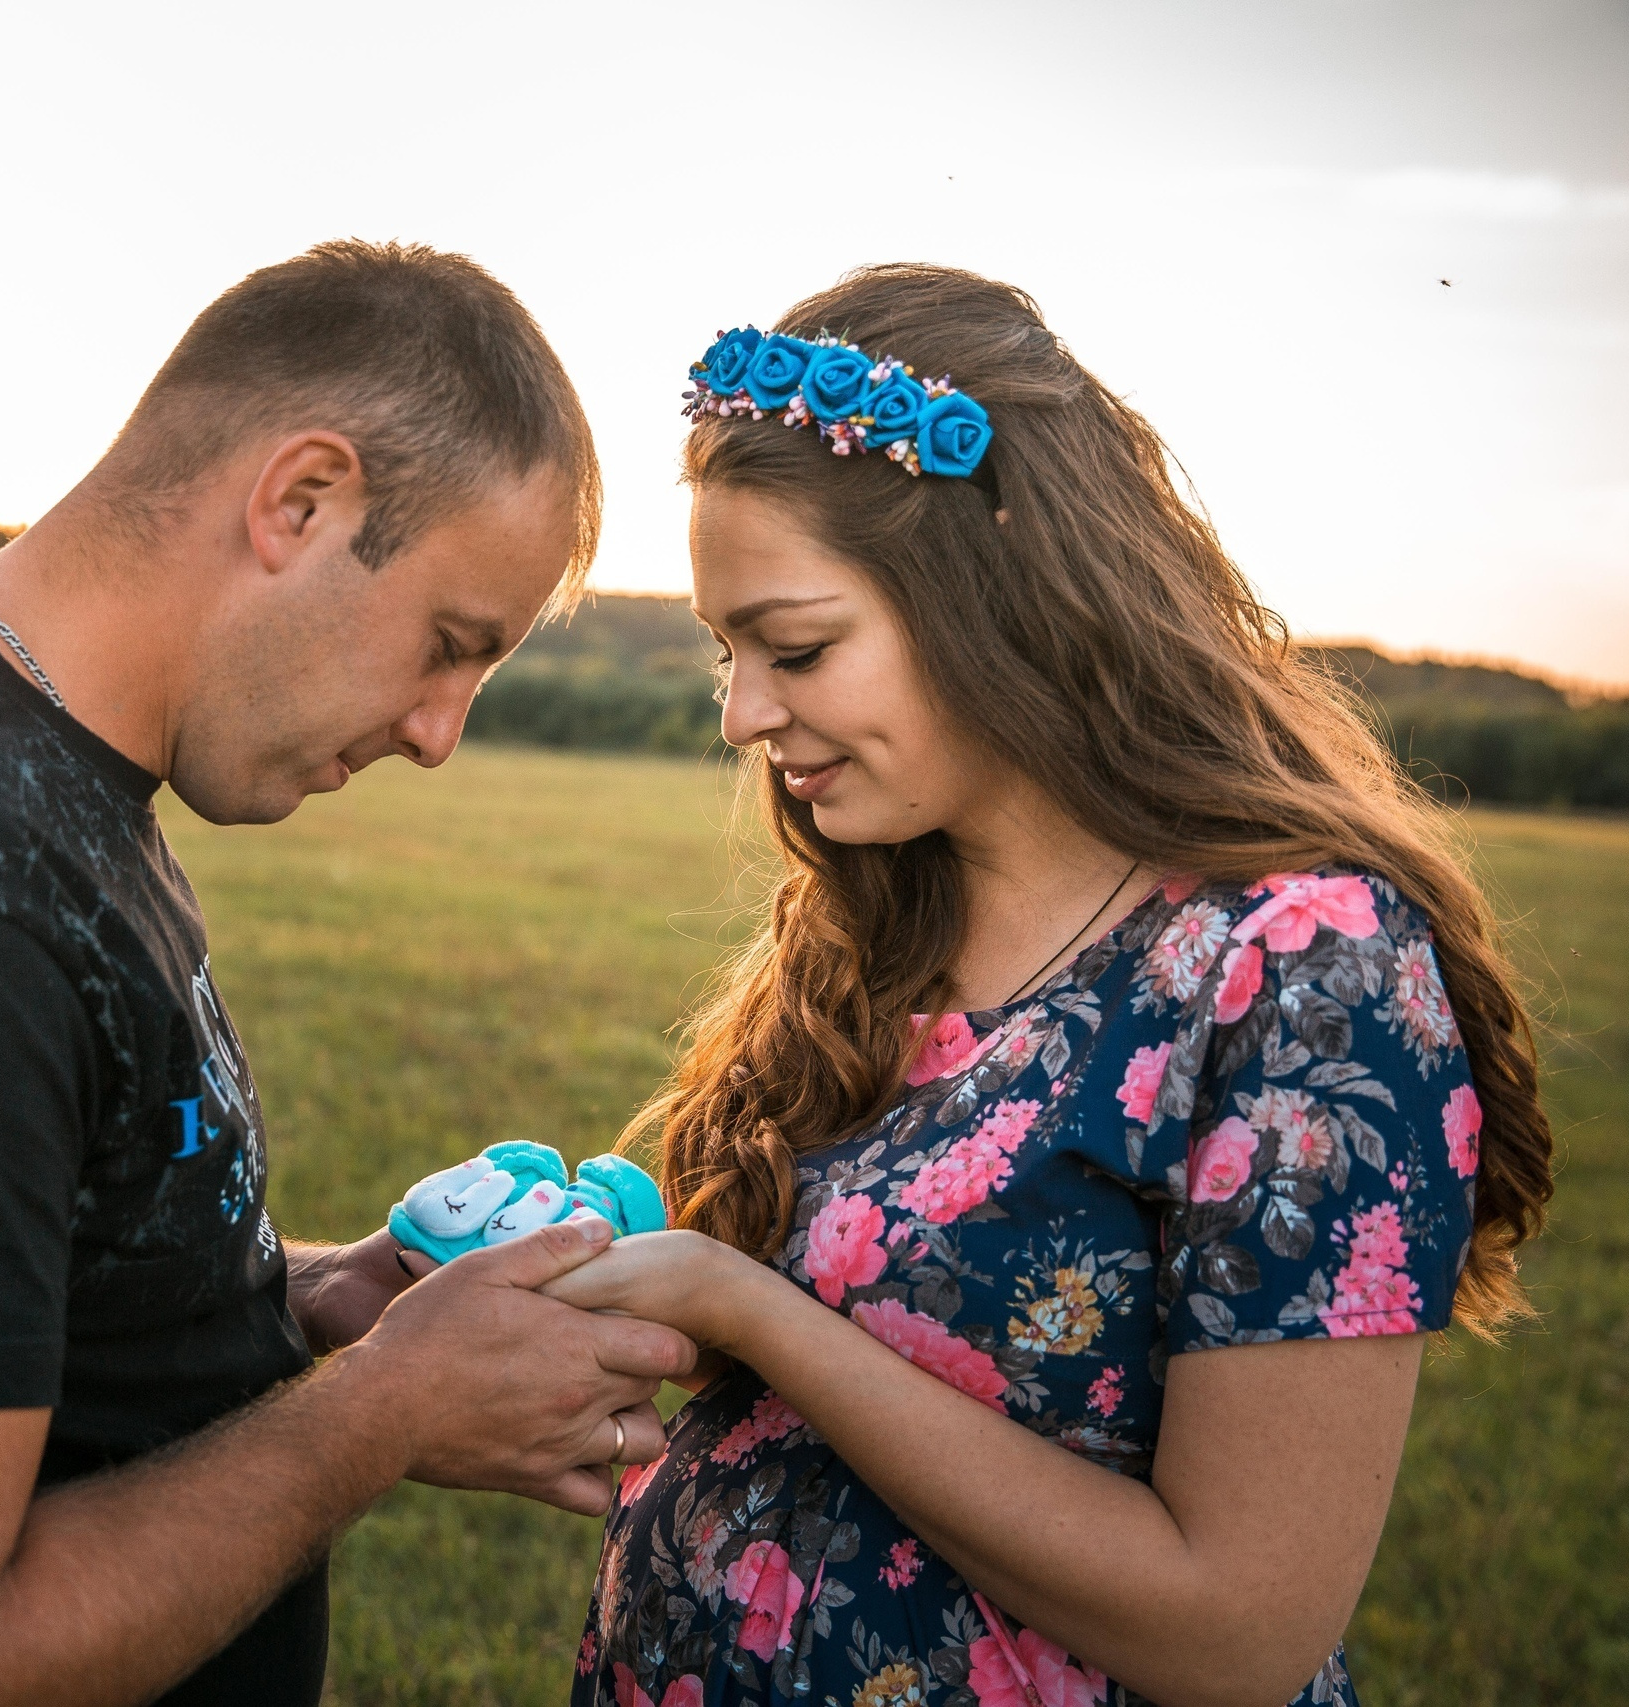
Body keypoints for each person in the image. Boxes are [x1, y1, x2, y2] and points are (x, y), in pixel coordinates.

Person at [0, 239, 694, 1707]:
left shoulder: (33, 792)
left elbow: (24, 1286)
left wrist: (311, 1301)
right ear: (301, 501)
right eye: (446, 644)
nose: (440, 734)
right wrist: (383, 1411)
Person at [542, 266, 1556, 1707]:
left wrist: (762, 1314)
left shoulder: (1303, 970)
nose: (742, 713)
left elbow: (1238, 1630)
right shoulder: (877, 912)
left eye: (797, 647)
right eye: (726, 652)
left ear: (989, 590)